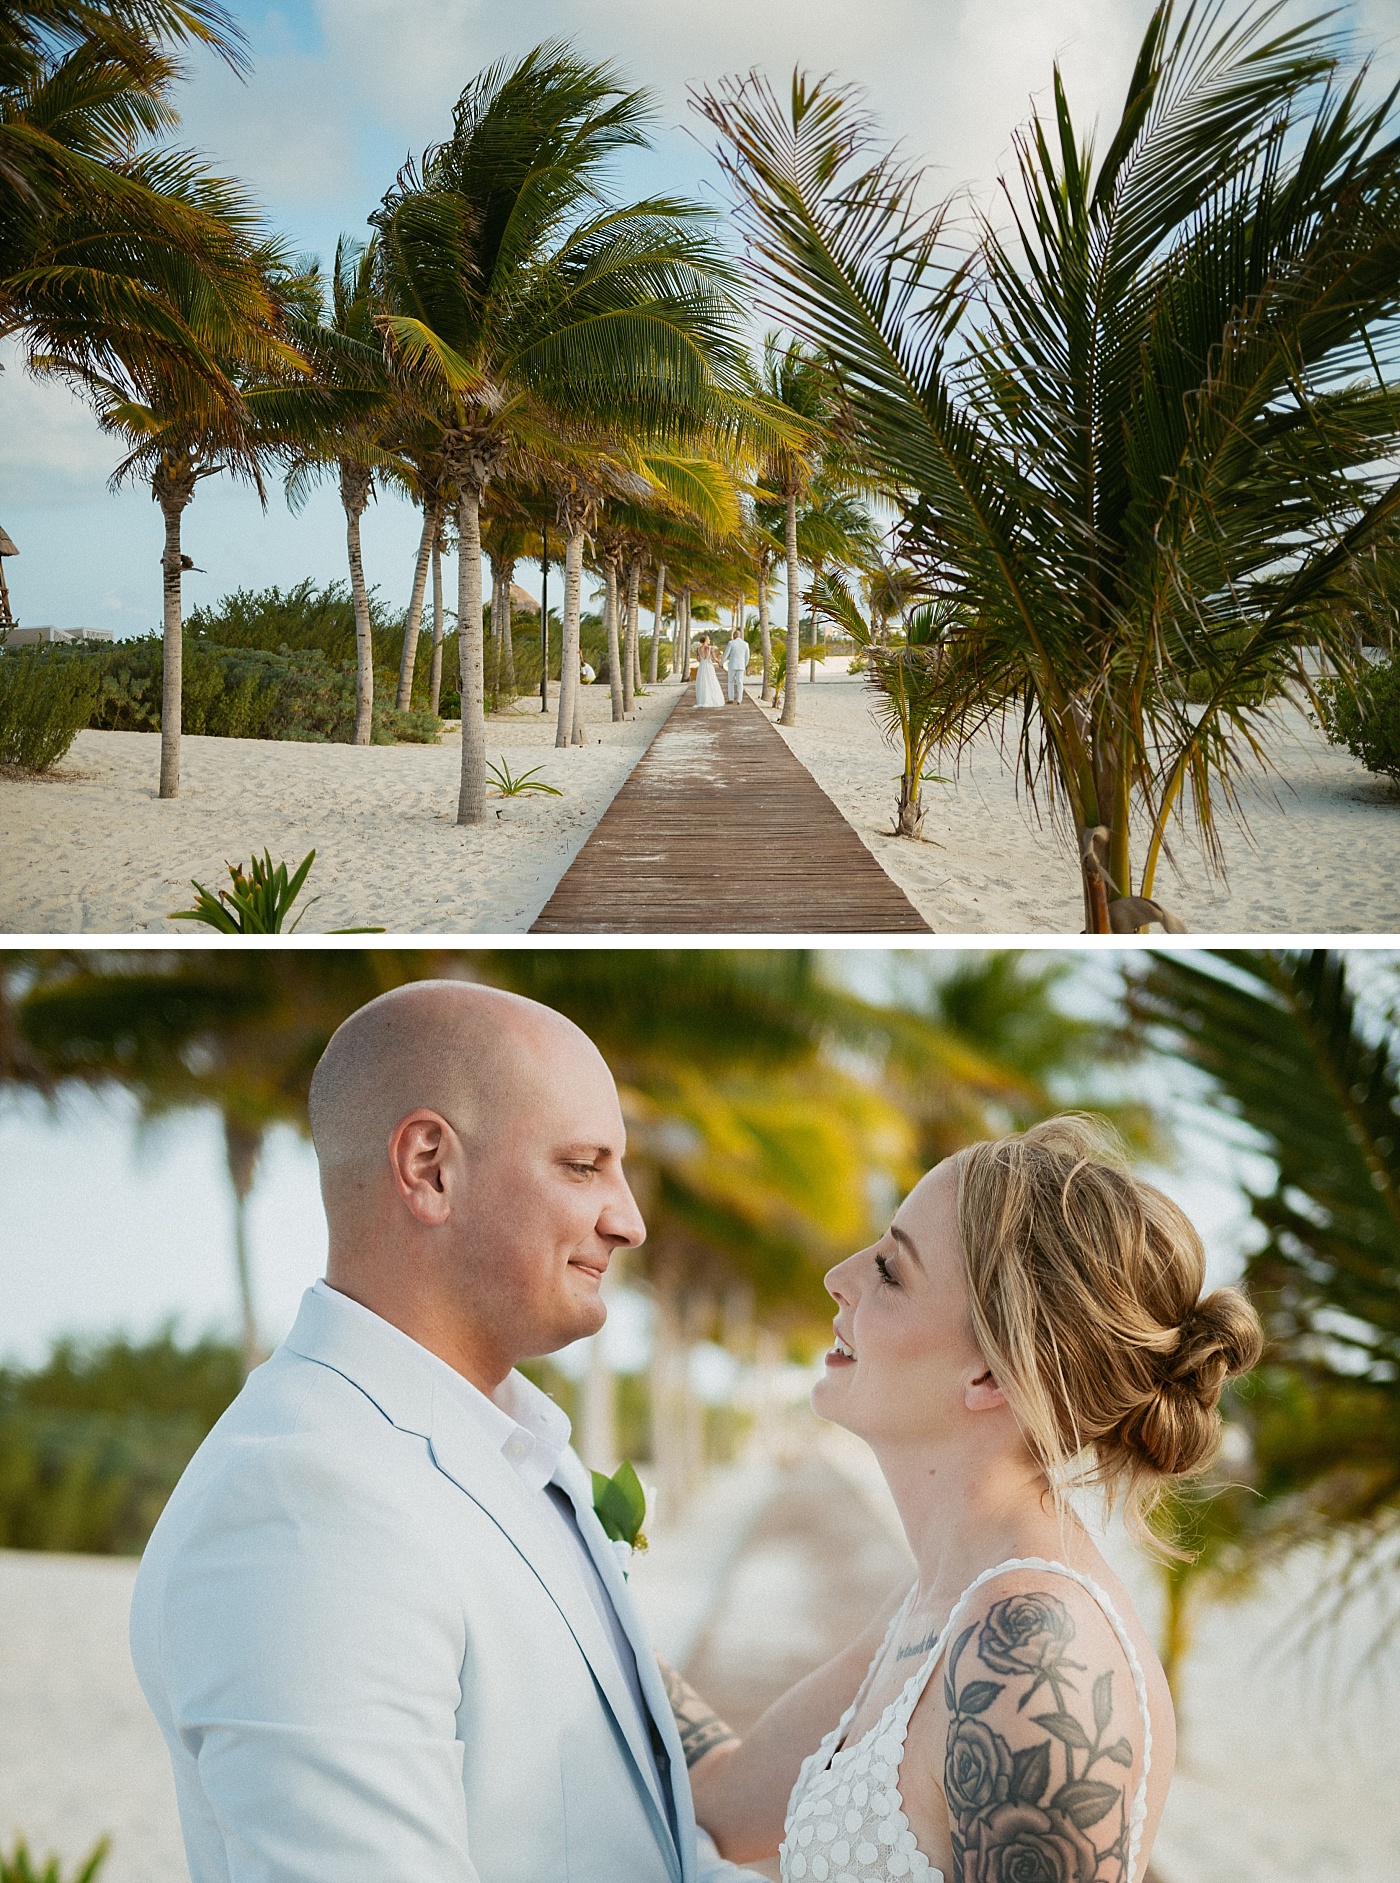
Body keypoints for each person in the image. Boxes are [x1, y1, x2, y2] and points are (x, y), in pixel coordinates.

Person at [130, 981, 763, 1883]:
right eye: (583, 1166)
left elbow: (652, 1841)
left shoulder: (519, 1446)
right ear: (430, 1167)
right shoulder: (303, 1506)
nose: (629, 1220)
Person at [674, 1115, 1264, 1883]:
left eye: (890, 1269)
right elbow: (723, 1798)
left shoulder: (1036, 1654)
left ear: (990, 1374)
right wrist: (573, 1555)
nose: (839, 1276)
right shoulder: (937, 1603)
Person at [693, 633, 724, 709]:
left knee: (703, 682)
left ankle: (703, 700)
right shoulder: (710, 648)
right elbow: (714, 658)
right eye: (709, 639)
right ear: (706, 640)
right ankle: (711, 699)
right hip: (709, 667)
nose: (709, 640)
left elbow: (698, 659)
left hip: (702, 667)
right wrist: (719, 662)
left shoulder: (698, 649)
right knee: (711, 681)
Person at [724, 628, 750, 703]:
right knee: (740, 683)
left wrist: (721, 662)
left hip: (732, 665)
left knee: (730, 681)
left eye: (733, 635)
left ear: (735, 635)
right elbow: (747, 656)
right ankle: (739, 699)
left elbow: (726, 654)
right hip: (741, 666)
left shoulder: (731, 643)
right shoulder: (745, 644)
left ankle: (731, 698)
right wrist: (744, 665)